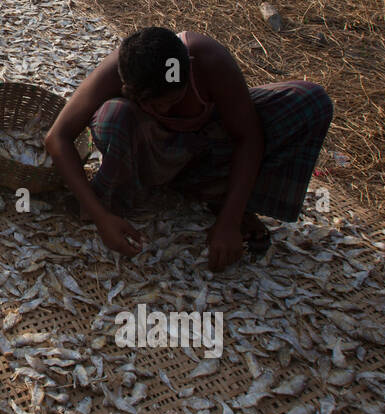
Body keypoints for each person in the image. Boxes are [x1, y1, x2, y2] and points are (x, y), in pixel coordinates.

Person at [45, 27, 332, 271]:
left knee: (311, 101)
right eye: (157, 106)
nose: (168, 109)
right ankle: (122, 198)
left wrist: (229, 220)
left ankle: (229, 201)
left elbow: (249, 137)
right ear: (129, 87)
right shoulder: (118, 70)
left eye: (175, 99)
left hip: (207, 151)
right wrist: (100, 217)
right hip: (155, 156)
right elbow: (57, 137)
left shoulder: (208, 60)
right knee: (113, 117)